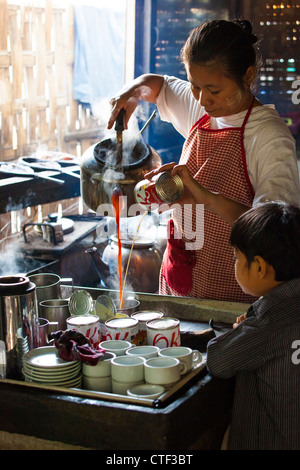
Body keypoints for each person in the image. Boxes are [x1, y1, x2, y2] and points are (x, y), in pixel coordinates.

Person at [108, 19, 300, 303]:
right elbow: (158, 85)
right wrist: (133, 93)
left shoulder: (268, 136)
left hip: (232, 298)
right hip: (179, 281)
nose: (202, 99)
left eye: (214, 90)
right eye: (194, 86)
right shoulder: (201, 103)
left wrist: (207, 199)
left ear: (247, 75)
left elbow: (276, 234)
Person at [206, 201, 300, 450]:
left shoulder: (266, 323)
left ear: (259, 267)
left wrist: (242, 332)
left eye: (237, 257)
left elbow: (218, 360)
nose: (234, 263)